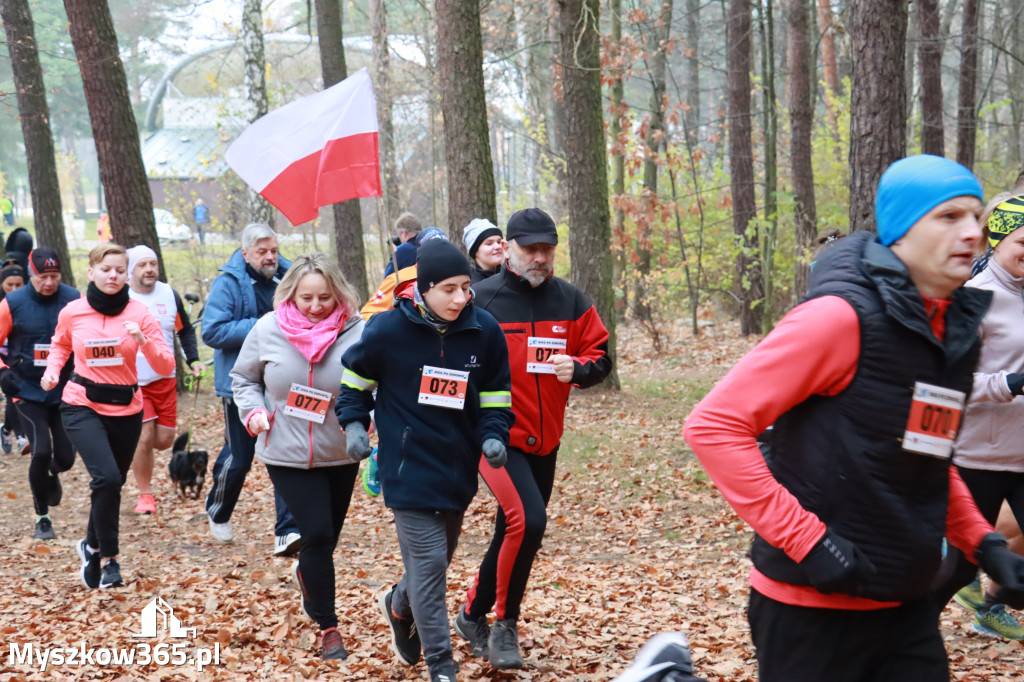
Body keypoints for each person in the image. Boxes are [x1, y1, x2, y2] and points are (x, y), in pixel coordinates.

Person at [682, 154, 1024, 681]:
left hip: (904, 604)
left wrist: (983, 542)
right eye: (949, 217)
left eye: (976, 217)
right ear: (903, 230)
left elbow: (925, 454)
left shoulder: (949, 334)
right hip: (810, 611)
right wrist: (808, 542)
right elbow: (714, 426)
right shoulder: (838, 318)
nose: (971, 233)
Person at [337, 238, 514, 682]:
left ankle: (399, 604)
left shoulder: (484, 331)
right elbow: (353, 385)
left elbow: (495, 398)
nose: (460, 298)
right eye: (449, 289)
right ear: (424, 287)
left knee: (434, 562)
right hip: (406, 466)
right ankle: (441, 665)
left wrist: (493, 436)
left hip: (456, 469)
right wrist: (354, 425)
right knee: (431, 563)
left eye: (466, 288)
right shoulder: (386, 331)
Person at [454, 208, 613, 669]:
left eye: (548, 249)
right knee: (530, 521)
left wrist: (579, 369)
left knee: (517, 529)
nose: (540, 257)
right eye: (531, 248)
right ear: (509, 248)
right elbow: (453, 360)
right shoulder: (481, 300)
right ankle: (505, 625)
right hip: (495, 438)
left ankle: (470, 614)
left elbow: (600, 354)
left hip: (547, 440)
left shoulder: (571, 300)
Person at [230, 253, 365, 660]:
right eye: (306, 297)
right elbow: (243, 378)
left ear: (339, 293)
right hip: (283, 449)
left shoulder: (358, 332)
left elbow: (375, 383)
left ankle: (308, 573)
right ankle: (330, 627)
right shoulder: (268, 329)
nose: (315, 306)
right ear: (290, 294)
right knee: (319, 534)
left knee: (324, 541)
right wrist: (254, 413)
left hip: (340, 451)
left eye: (325, 297)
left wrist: (366, 419)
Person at [43, 243, 174, 589]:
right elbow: (60, 345)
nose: (113, 275)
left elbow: (166, 363)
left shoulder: (140, 313)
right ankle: (110, 559)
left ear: (126, 274)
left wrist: (143, 341)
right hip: (81, 402)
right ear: (91, 273)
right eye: (106, 269)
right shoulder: (73, 311)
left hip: (127, 407)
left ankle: (91, 544)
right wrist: (52, 372)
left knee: (111, 482)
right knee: (106, 477)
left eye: (119, 270)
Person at [929, 193, 1024, 641]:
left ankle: (995, 605)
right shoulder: (974, 298)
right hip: (980, 456)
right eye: (1023, 241)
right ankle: (903, 632)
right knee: (958, 566)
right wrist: (1008, 383)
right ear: (999, 240)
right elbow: (950, 383)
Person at [201, 223, 299, 554]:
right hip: (239, 382)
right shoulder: (227, 284)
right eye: (262, 252)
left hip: (281, 380)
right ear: (245, 253)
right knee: (240, 458)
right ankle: (219, 509)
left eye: (273, 250)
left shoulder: (291, 278)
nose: (270, 257)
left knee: (286, 453)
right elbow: (212, 331)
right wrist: (264, 325)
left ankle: (287, 530)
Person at [0, 249, 78, 539]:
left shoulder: (73, 298)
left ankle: (49, 474)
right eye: (43, 277)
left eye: (54, 277)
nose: (49, 283)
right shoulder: (13, 303)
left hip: (63, 387)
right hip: (27, 388)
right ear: (31, 275)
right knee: (41, 450)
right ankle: (42, 518)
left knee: (67, 459)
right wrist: (3, 372)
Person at [125, 246, 204, 515]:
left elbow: (185, 332)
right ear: (130, 270)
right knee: (144, 437)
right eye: (142, 265)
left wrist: (193, 361)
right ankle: (145, 494)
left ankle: (137, 454)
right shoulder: (122, 297)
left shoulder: (169, 294)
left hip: (165, 378)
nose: (149, 269)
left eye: (153, 264)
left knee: (164, 440)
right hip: (133, 380)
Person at [0, 263, 28, 454]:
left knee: (15, 394)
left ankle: (6, 429)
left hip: (20, 354)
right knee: (12, 392)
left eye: (19, 284)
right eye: (10, 284)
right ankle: (20, 437)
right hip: (2, 357)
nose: (14, 289)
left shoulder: (27, 301)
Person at [462, 218, 505, 284]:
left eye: (499, 242)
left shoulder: (512, 277)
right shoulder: (467, 283)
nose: (498, 247)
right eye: (489, 244)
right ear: (475, 251)